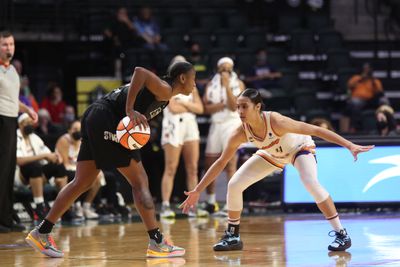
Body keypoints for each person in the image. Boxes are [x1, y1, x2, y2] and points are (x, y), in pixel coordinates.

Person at [25, 62, 196, 258]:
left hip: (95, 115)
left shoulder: (164, 95)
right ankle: (157, 242)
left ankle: (42, 232)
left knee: (82, 181)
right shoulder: (165, 89)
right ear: (182, 78)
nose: (195, 84)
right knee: (140, 182)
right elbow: (139, 71)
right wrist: (130, 110)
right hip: (107, 119)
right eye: (193, 79)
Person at [180, 88, 374, 252]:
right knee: (235, 184)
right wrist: (198, 190)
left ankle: (342, 234)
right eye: (238, 107)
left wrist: (349, 145)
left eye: (244, 106)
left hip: (299, 150)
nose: (239, 111)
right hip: (272, 154)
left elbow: (316, 130)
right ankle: (233, 236)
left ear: (257, 107)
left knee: (310, 183)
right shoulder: (240, 132)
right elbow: (221, 162)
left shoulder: (277, 121)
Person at [0, 30, 38, 233]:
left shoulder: (13, 71)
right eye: (4, 44)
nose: (9, 48)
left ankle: (6, 219)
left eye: (11, 44)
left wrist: (28, 109)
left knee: (7, 170)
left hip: (11, 120)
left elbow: (13, 100)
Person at [160, 56, 205, 218]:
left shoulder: (193, 86)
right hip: (173, 126)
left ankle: (192, 206)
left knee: (192, 168)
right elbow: (172, 108)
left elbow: (200, 108)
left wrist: (185, 105)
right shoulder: (167, 86)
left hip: (190, 126)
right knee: (171, 167)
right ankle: (165, 205)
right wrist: (189, 107)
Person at [202, 57, 245, 215]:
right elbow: (205, 108)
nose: (225, 71)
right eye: (223, 68)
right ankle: (211, 201)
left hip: (232, 125)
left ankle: (230, 203)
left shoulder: (238, 84)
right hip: (216, 125)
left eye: (228, 68)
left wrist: (227, 86)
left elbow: (234, 106)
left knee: (230, 165)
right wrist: (221, 105)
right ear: (218, 68)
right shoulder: (210, 84)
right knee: (210, 163)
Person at [16, 113, 71, 221]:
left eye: (31, 123)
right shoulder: (15, 137)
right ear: (20, 125)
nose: (30, 125)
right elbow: (19, 161)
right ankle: (40, 206)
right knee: (34, 166)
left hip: (38, 174)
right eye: (27, 123)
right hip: (20, 175)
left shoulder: (35, 137)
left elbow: (47, 153)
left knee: (59, 167)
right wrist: (44, 156)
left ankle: (64, 206)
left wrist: (56, 157)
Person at [55, 120, 101, 219]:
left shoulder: (83, 140)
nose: (77, 131)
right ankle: (74, 207)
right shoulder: (64, 140)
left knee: (98, 176)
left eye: (79, 129)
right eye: (75, 129)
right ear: (69, 130)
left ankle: (86, 207)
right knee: (79, 177)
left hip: (76, 169)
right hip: (62, 171)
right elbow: (65, 164)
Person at [342, 63, 387, 133]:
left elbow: (380, 93)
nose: (367, 71)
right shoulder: (356, 78)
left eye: (368, 69)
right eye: (365, 69)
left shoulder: (374, 81)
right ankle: (355, 127)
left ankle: (387, 126)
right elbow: (349, 87)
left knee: (384, 101)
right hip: (358, 99)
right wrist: (361, 79)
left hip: (371, 101)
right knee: (354, 103)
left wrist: (373, 82)